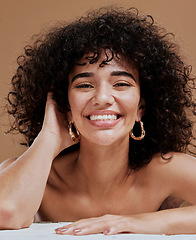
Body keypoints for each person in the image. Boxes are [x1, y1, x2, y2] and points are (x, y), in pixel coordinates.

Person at [0, 6, 196, 235]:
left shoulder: (167, 169)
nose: (102, 98)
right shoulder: (30, 173)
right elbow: (5, 213)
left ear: (141, 107)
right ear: (65, 105)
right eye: (84, 85)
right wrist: (49, 137)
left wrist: (136, 223)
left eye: (121, 84)